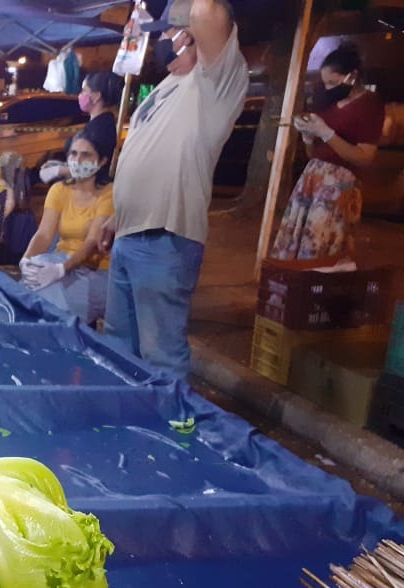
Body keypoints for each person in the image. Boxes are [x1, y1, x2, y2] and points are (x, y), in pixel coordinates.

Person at [98, 0, 247, 379]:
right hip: (130, 236)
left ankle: (165, 429)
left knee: (159, 354)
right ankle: (125, 429)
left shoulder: (214, 85)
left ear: (190, 35)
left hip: (165, 240)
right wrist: (118, 217)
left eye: (168, 32)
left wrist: (194, 20)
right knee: (119, 349)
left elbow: (207, 11)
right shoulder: (166, 86)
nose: (161, 40)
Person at [270, 43, 384, 264]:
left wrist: (327, 133)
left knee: (322, 244)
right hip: (312, 179)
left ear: (352, 76)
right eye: (326, 83)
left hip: (339, 185)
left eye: (333, 82)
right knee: (298, 240)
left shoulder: (370, 104)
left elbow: (365, 157)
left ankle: (316, 291)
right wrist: (308, 135)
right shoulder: (327, 101)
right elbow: (315, 153)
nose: (329, 88)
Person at [20, 132, 114, 325]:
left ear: (102, 161)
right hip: (60, 261)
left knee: (48, 299)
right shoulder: (59, 190)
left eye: (86, 155)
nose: (77, 160)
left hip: (96, 271)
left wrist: (61, 269)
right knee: (30, 283)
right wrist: (26, 260)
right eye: (73, 154)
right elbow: (44, 235)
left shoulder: (109, 193)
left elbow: (92, 243)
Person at [40, 70, 123, 183]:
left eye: (84, 91)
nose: (80, 95)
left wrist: (59, 171)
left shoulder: (101, 129)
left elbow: (89, 167)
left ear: (97, 96)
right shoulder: (98, 122)